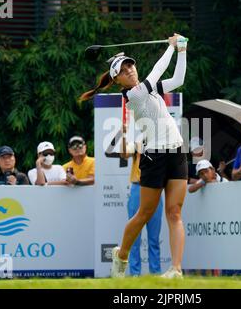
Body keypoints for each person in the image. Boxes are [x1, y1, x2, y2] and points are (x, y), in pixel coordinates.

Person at [80, 33, 188, 278]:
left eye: (131, 65)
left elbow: (178, 78)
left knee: (175, 212)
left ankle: (176, 269)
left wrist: (182, 50)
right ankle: (121, 256)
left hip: (177, 152)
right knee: (144, 213)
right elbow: (158, 72)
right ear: (117, 79)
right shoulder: (133, 95)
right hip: (153, 157)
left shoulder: (151, 90)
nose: (129, 69)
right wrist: (171, 47)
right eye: (123, 69)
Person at [121, 138, 163, 276]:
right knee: (134, 236)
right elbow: (124, 154)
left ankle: (155, 273)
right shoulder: (138, 143)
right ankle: (135, 274)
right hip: (138, 188)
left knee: (154, 237)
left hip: (155, 188)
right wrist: (124, 135)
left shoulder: (163, 145)